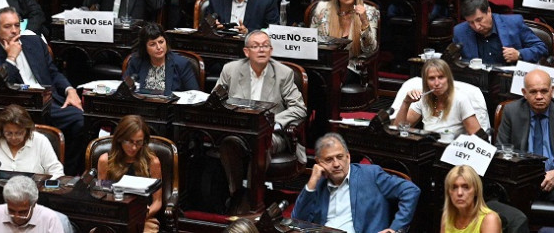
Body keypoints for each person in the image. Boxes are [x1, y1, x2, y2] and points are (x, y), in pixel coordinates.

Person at [214, 30, 306, 212]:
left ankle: (252, 199)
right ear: (246, 52)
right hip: (239, 132)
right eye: (256, 46)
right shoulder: (230, 70)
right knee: (228, 142)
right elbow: (215, 102)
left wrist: (273, 121)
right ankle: (237, 194)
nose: (261, 50)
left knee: (260, 144)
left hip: (272, 135)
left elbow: (300, 108)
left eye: (265, 46)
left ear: (271, 50)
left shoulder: (283, 74)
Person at [0, 7, 83, 153]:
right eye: (8, 26)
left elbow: (53, 73)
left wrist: (70, 90)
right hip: (20, 107)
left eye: (17, 25)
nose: (14, 31)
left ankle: (67, 169)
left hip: (49, 102)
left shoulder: (35, 42)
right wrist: (11, 59)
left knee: (81, 119)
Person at [496, 69, 554, 210]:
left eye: (544, 91)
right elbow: (500, 149)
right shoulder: (511, 111)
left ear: (552, 91)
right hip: (521, 182)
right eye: (533, 92)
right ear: (524, 93)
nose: (539, 96)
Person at [292, 133, 421, 231]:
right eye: (329, 160)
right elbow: (298, 222)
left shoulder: (371, 175)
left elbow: (410, 191)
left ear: (348, 157)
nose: (336, 164)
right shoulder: (319, 184)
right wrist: (312, 182)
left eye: (340, 157)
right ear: (319, 162)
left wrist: (395, 229)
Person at [96, 116, 162, 233]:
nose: (134, 147)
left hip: (143, 217)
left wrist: (141, 216)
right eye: (129, 141)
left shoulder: (152, 162)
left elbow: (157, 201)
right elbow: (102, 196)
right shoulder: (105, 161)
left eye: (139, 142)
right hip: (115, 218)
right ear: (120, 139)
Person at [394, 57, 483, 140]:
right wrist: (406, 102)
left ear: (448, 79)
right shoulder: (423, 98)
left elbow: (479, 140)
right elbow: (398, 129)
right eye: (431, 78)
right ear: (426, 82)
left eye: (441, 77)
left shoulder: (460, 99)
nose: (437, 83)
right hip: (428, 150)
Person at [310, 0, 379, 75]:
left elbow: (370, 49)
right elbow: (312, 42)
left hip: (352, 68)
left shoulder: (369, 12)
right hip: (326, 66)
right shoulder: (322, 9)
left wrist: (364, 22)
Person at [452, 0, 548, 65]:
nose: (477, 26)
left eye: (479, 20)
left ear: (489, 11)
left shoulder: (514, 23)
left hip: (507, 80)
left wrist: (519, 54)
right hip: (477, 82)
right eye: (471, 22)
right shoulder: (460, 31)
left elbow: (541, 48)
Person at [0, 104, 64, 177]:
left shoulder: (40, 141)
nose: (13, 138)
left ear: (27, 130)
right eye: (8, 133)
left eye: (19, 133)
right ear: (1, 130)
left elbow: (57, 172)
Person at [123, 22, 199, 95]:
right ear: (145, 47)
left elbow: (194, 94)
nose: (159, 47)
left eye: (161, 42)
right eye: (152, 44)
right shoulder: (136, 61)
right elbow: (125, 88)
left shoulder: (182, 64)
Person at [0, 176, 67, 233]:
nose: (16, 217)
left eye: (23, 212)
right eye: (11, 211)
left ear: (34, 204)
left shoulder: (50, 220)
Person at [441, 165, 501, 233]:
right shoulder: (447, 217)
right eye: (454, 187)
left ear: (476, 191)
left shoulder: (490, 220)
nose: (459, 193)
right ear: (448, 192)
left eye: (466, 187)